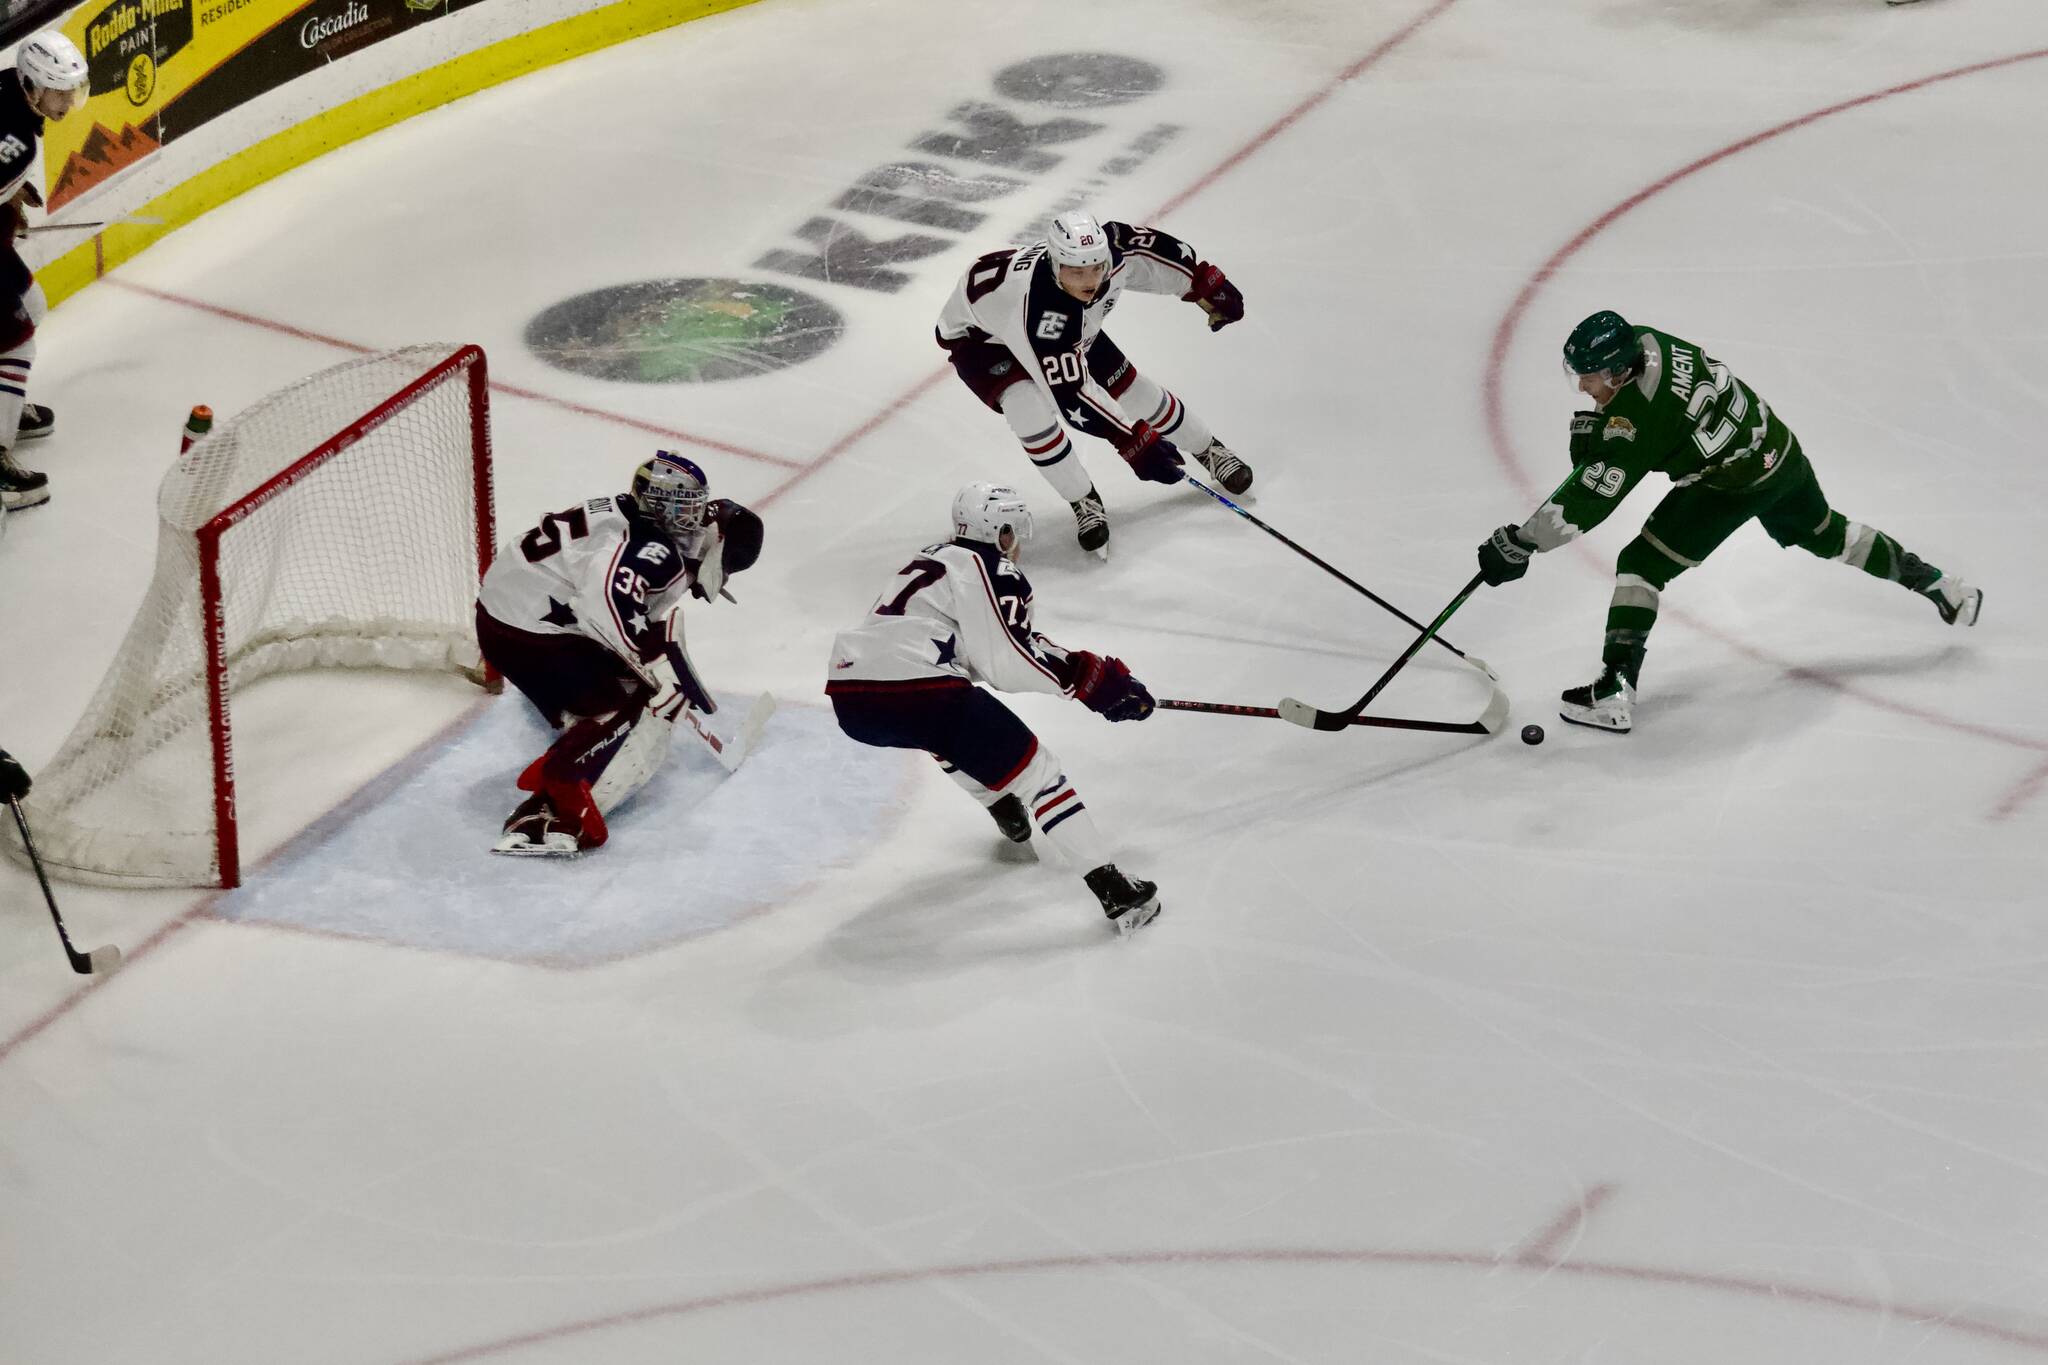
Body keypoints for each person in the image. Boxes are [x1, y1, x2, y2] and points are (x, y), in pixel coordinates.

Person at [1476, 309, 1983, 734]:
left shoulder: (1639, 415)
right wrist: (1596, 430)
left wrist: (1523, 542)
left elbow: (1594, 492)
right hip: (1777, 451)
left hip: (1729, 486)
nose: (1581, 386)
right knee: (1830, 534)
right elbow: (1609, 452)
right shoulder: (1649, 343)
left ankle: (1613, 692)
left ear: (1616, 372)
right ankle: (1943, 587)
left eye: (1588, 377)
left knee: (1641, 564)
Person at [827, 482, 1162, 934]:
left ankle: (1000, 801)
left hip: (851, 693)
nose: (1017, 541)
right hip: (918, 686)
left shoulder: (930, 558)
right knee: (1040, 775)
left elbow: (972, 651)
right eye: (1013, 530)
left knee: (938, 731)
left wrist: (1089, 673)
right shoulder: (989, 568)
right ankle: (1116, 892)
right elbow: (1006, 658)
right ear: (1000, 531)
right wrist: (1093, 687)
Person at [474, 451, 763, 855]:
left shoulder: (622, 513)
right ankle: (554, 795)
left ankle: (579, 725)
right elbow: (604, 604)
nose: (693, 519)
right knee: (625, 703)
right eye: (686, 507)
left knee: (624, 681)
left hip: (501, 620)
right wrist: (649, 665)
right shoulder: (654, 551)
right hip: (530, 636)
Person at [934, 211, 1250, 554]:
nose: (1091, 281)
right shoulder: (1041, 314)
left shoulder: (1108, 253)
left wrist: (1204, 282)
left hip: (1063, 319)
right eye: (1076, 270)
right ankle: (1082, 499)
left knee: (1129, 388)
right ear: (1055, 264)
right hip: (982, 341)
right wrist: (1130, 440)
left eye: (1096, 267)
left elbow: (1153, 254)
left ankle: (1208, 447)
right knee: (1029, 412)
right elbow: (1071, 395)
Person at [0, 32, 87, 512]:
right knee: (18, 341)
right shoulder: (17, 140)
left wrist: (9, 198)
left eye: (73, 90)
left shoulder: (8, 87)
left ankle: (4, 404)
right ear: (33, 86)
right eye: (60, 92)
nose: (68, 102)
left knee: (33, 303)